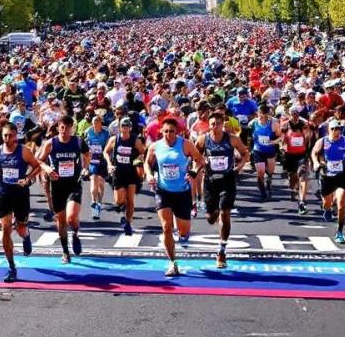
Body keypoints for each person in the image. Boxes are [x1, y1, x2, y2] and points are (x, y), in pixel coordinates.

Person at [144, 116, 205, 277]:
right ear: (161, 131)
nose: (168, 134)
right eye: (165, 131)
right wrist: (149, 175)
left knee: (183, 232)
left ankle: (183, 234)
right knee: (166, 227)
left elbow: (200, 160)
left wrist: (194, 171)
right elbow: (147, 163)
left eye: (171, 131)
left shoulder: (185, 144)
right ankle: (172, 263)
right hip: (163, 191)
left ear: (176, 132)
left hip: (182, 192)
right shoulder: (155, 146)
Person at [196, 111, 249, 269]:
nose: (215, 127)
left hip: (227, 180)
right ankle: (215, 211)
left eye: (218, 124)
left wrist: (239, 167)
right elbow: (195, 156)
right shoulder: (203, 139)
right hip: (210, 182)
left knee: (225, 213)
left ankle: (222, 250)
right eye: (212, 124)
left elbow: (245, 153)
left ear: (223, 125)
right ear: (209, 125)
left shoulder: (232, 139)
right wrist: (196, 168)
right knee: (210, 218)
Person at [0, 121, 41, 283]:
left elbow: (37, 166)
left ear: (16, 136)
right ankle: (11, 267)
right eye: (4, 135)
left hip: (20, 194)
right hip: (3, 194)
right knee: (5, 229)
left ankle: (26, 236)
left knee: (21, 228)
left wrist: (28, 178)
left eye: (10, 136)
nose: (7, 139)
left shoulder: (24, 151)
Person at [35, 115, 89, 263]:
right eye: (62, 127)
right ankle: (65, 251)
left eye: (67, 128)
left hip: (74, 183)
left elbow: (87, 154)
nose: (64, 130)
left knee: (71, 218)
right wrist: (47, 169)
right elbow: (39, 160)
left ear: (72, 129)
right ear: (58, 127)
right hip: (57, 185)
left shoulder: (78, 142)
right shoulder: (51, 143)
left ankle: (75, 234)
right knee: (61, 220)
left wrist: (85, 167)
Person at [313, 120, 345, 244]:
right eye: (333, 129)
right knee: (327, 202)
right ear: (329, 130)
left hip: (341, 174)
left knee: (341, 203)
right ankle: (327, 209)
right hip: (326, 175)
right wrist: (316, 163)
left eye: (338, 129)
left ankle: (340, 231)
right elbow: (314, 153)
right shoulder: (323, 141)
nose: (336, 131)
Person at [103, 117, 145, 235]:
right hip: (118, 172)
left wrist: (139, 159)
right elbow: (106, 152)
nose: (125, 129)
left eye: (127, 127)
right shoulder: (114, 140)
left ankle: (128, 223)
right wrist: (109, 164)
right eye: (123, 127)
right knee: (119, 200)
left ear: (130, 128)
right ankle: (122, 206)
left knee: (130, 199)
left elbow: (142, 152)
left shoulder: (135, 140)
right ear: (120, 128)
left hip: (131, 172)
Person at [281, 108, 313, 215]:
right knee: (293, 178)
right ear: (289, 115)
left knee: (303, 176)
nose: (295, 116)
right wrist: (282, 146)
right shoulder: (285, 125)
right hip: (289, 155)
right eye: (293, 114)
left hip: (301, 155)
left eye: (296, 114)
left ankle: (302, 202)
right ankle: (294, 189)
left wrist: (305, 141)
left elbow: (309, 133)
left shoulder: (303, 124)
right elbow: (281, 137)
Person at [248, 105, 281, 200]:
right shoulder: (253, 123)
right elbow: (248, 136)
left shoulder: (273, 124)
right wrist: (249, 147)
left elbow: (280, 137)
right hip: (258, 150)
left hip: (270, 150)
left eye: (263, 114)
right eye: (259, 113)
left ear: (267, 114)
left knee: (270, 171)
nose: (261, 116)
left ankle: (269, 180)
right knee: (260, 172)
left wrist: (273, 142)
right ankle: (263, 193)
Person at [84, 112, 110, 220]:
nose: (96, 123)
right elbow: (84, 146)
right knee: (93, 180)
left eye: (98, 122)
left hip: (102, 160)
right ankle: (94, 201)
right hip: (92, 160)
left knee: (101, 183)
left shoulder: (106, 133)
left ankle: (99, 202)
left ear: (101, 123)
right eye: (94, 122)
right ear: (92, 123)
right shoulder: (88, 132)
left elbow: (108, 146)